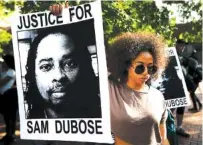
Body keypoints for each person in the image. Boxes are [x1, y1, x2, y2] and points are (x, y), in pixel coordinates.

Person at [50, 3, 170, 145]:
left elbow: (163, 139)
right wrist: (65, 19)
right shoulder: (108, 89)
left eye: (151, 68)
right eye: (140, 67)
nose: (146, 73)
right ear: (126, 64)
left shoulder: (158, 96)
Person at [25, 28, 101, 119]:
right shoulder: (29, 128)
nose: (59, 76)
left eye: (70, 64)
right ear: (33, 75)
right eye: (46, 67)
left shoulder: (106, 118)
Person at [176, 39, 202, 112]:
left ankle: (197, 106)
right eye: (182, 46)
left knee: (191, 92)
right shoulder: (180, 54)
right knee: (191, 92)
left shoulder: (188, 56)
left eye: (184, 46)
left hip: (194, 76)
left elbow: (190, 65)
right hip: (190, 76)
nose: (183, 48)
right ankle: (198, 105)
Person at [0, 54, 18, 145]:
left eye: (4, 61)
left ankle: (10, 136)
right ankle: (8, 135)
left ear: (8, 62)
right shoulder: (3, 71)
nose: (2, 63)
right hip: (3, 97)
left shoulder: (11, 72)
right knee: (7, 117)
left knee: (10, 117)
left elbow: (1, 82)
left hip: (10, 96)